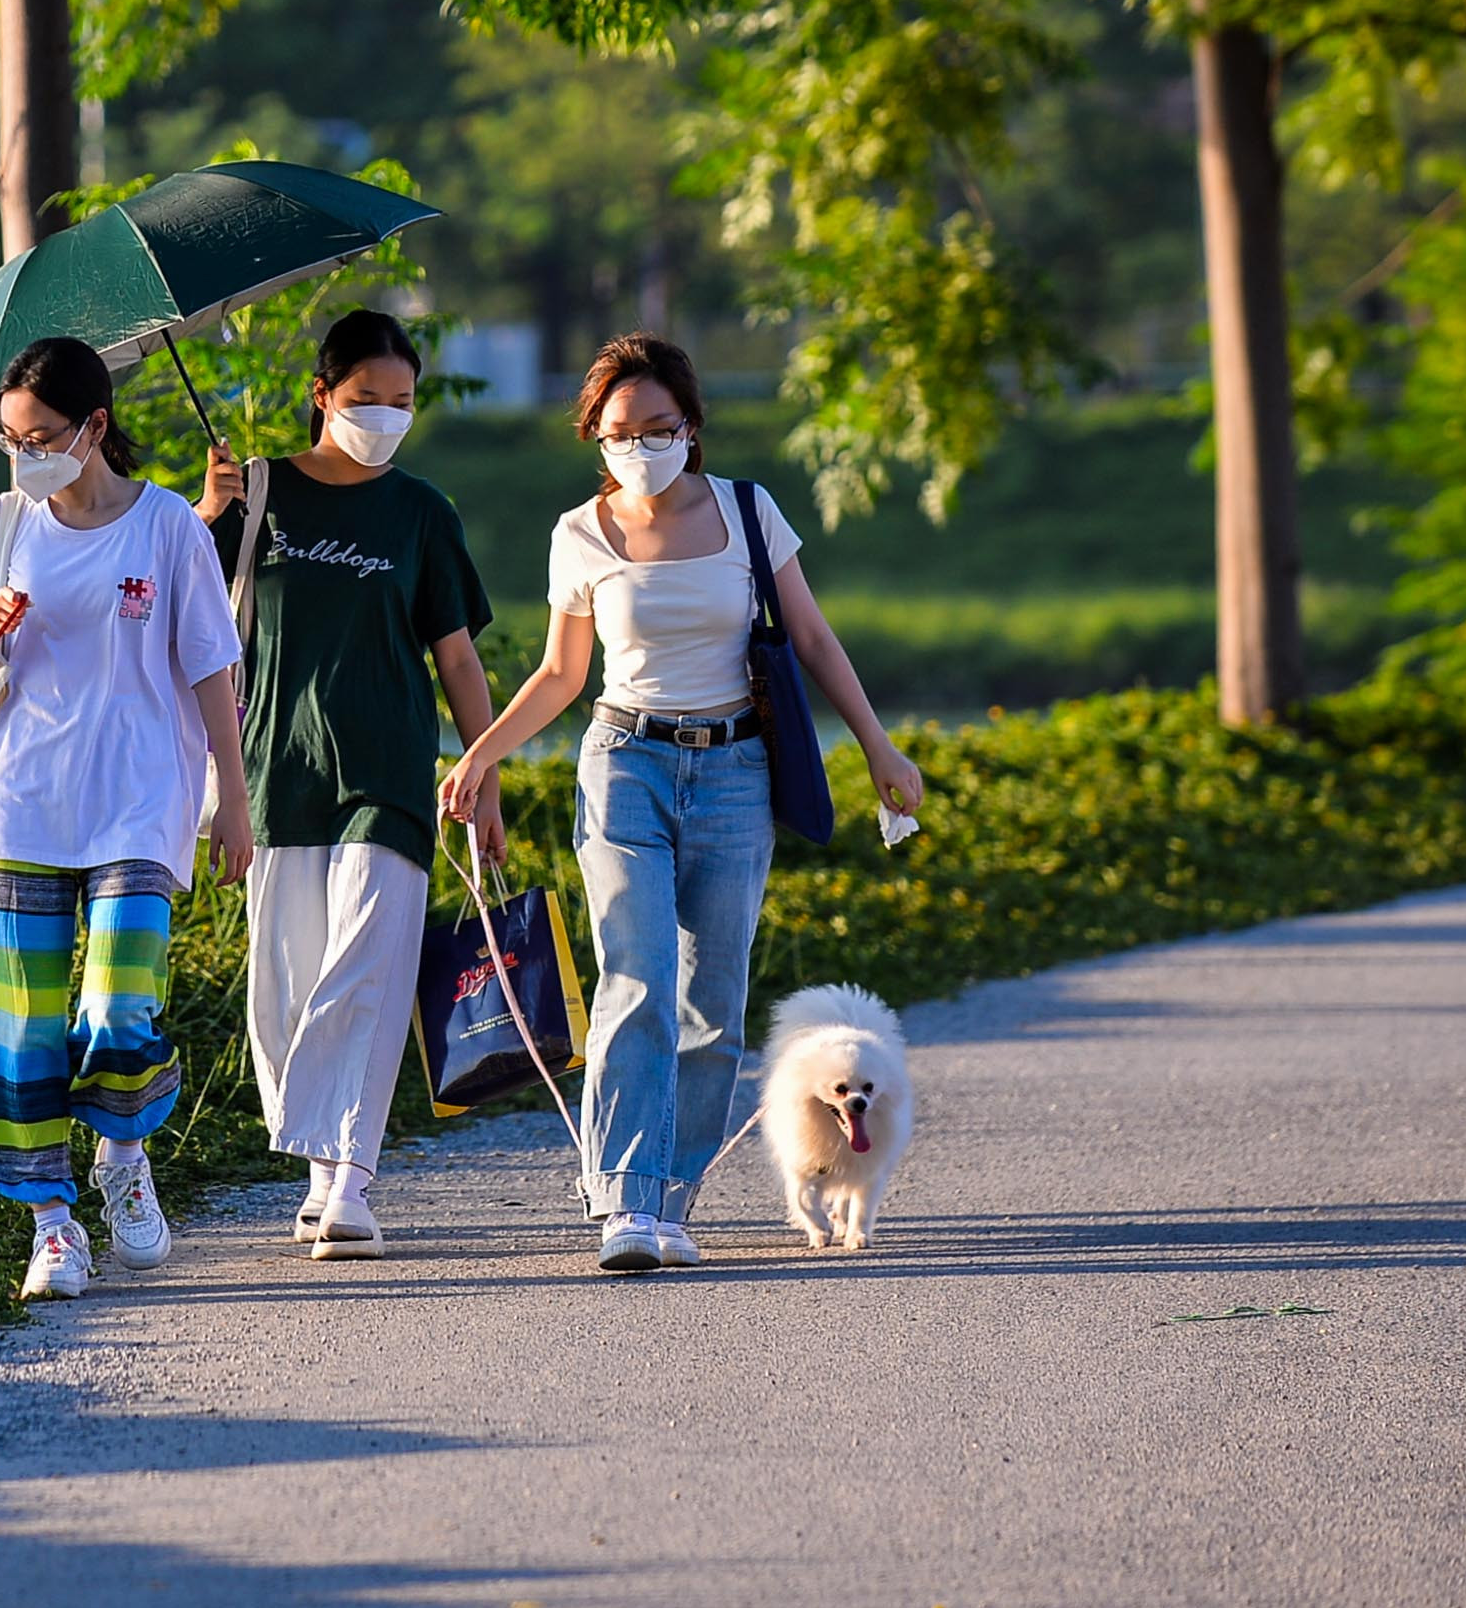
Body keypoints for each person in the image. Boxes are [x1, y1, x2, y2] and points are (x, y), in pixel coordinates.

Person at [438, 333, 923, 1274]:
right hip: (624, 761)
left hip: (737, 767)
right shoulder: (579, 532)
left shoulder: (748, 512)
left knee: (714, 1000)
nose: (641, 444)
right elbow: (558, 673)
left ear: (691, 428)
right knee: (636, 977)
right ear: (596, 436)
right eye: (621, 430)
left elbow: (815, 639)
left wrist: (878, 745)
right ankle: (624, 1198)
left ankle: (672, 1194)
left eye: (659, 426)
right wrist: (480, 756)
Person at [0, 337, 251, 1301]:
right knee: (11, 1023)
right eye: (10, 442)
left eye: (41, 438)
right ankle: (53, 1223)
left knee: (119, 1003)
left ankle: (122, 1156)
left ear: (96, 428)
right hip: (23, 800)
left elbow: (209, 667)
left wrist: (228, 797)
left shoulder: (167, 529)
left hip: (140, 800)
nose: (24, 457)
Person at [195, 308, 500, 1259]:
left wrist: (483, 770)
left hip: (390, 768)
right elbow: (180, 610)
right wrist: (206, 516)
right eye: (367, 399)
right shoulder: (257, 492)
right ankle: (317, 1161)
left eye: (402, 401)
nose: (386, 416)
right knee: (285, 980)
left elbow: (455, 657)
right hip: (274, 769)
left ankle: (352, 1178)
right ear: (322, 394)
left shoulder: (422, 513)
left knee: (366, 963)